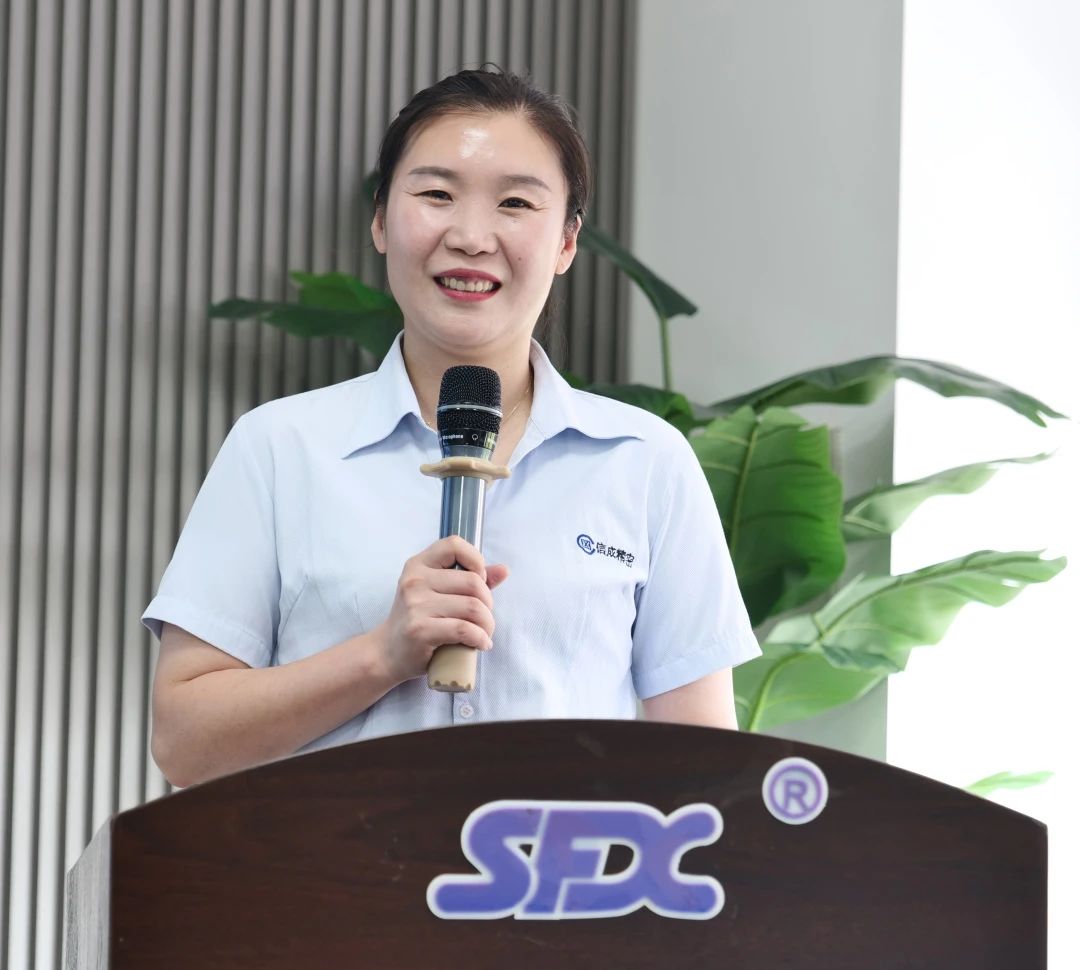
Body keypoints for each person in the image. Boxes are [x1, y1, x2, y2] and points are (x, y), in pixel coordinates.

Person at [143, 67, 761, 789]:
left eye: (515, 203)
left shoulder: (645, 461)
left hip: (557, 865)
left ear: (566, 242)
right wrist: (380, 655)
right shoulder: (279, 448)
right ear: (381, 220)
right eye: (436, 195)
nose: (470, 237)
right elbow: (185, 745)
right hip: (331, 864)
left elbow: (705, 772)